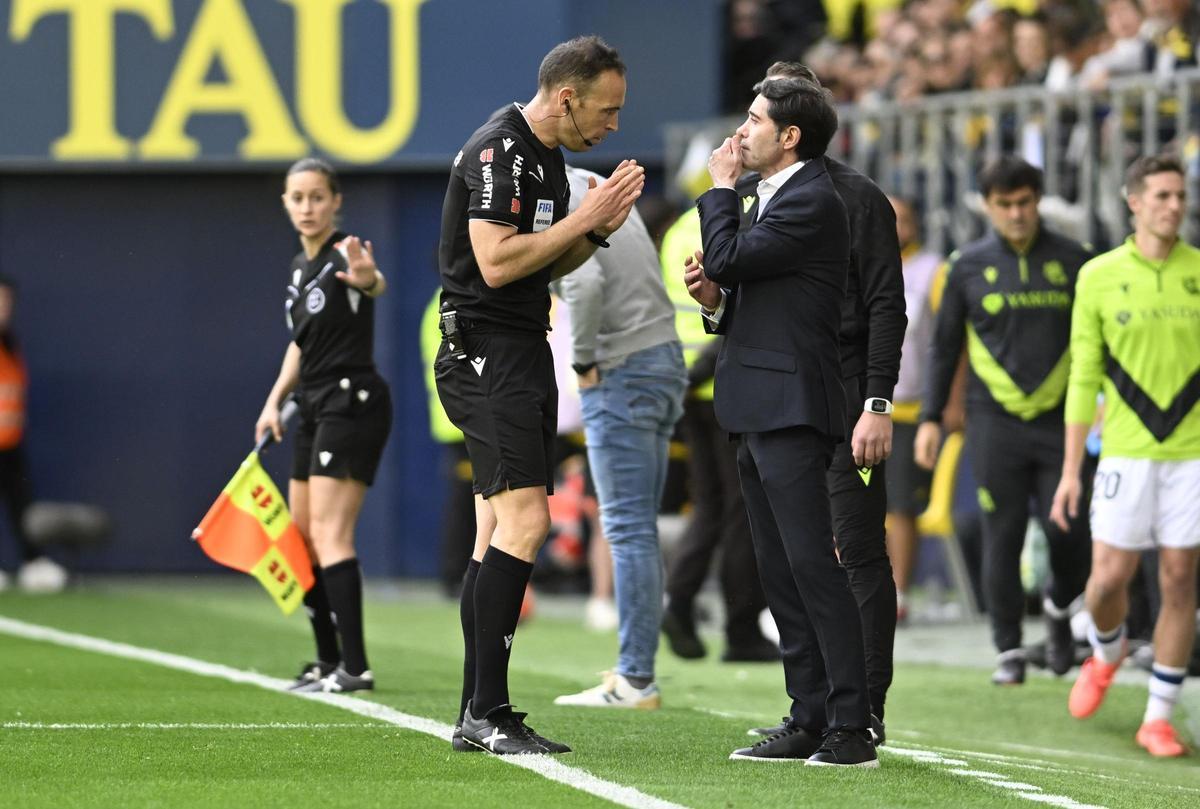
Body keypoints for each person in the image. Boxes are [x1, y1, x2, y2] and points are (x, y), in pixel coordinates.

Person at [435, 35, 645, 756]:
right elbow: (494, 265)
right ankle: (489, 711)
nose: (614, 123)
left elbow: (542, 264)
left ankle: (474, 707)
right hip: (488, 349)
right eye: (607, 109)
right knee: (524, 523)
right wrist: (583, 221)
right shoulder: (503, 150)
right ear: (568, 98)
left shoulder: (546, 159)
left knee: (495, 531)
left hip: (513, 347)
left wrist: (597, 233)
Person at [686, 77, 878, 767]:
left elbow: (732, 255)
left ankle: (852, 726)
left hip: (793, 407)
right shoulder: (773, 198)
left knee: (810, 567)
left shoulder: (811, 199)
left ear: (789, 136)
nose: (741, 132)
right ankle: (808, 715)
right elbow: (751, 293)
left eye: (754, 119)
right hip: (755, 403)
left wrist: (717, 192)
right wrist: (715, 300)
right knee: (779, 569)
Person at [744, 61, 906, 743]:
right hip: (784, 395)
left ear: (799, 125)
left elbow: (885, 304)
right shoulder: (762, 194)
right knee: (788, 553)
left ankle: (863, 706)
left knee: (855, 550)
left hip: (844, 392)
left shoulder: (857, 197)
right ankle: (810, 707)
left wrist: (877, 401)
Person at [914, 156, 1094, 686]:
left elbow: (1096, 342)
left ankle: (1060, 612)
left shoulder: (1078, 262)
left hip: (1062, 421)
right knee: (1004, 532)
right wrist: (930, 419)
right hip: (994, 423)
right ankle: (1009, 648)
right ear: (987, 206)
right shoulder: (964, 266)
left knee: (1069, 531)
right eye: (1004, 205)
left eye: (1024, 202)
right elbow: (944, 349)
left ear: (1038, 201)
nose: (1016, 214)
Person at [1051, 154, 1200, 758]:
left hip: (1192, 454)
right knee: (1109, 578)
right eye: (1161, 195)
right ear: (1133, 201)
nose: (1173, 205)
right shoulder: (1099, 275)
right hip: (1124, 454)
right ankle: (1107, 651)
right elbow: (1084, 373)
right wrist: (1069, 470)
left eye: (1180, 196)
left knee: (1180, 576)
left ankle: (1159, 715)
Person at [255, 158, 392, 695]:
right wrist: (274, 402)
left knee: (332, 535)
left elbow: (372, 282)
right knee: (302, 538)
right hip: (311, 404)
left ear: (336, 201)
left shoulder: (346, 256)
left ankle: (355, 667)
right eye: (297, 198)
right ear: (286, 203)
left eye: (317, 197)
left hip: (350, 401)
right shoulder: (297, 265)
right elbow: (300, 343)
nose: (307, 207)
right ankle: (326, 659)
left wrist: (369, 280)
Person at [551, 166, 687, 709]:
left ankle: (635, 677)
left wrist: (582, 358)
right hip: (662, 358)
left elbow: (583, 282)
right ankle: (637, 671)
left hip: (621, 365)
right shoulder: (592, 181)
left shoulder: (555, 193)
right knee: (638, 528)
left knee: (626, 527)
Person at [884, 196, 939, 622]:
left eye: (903, 218)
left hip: (908, 406)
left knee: (900, 503)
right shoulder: (858, 262)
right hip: (861, 406)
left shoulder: (933, 271)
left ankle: (899, 592)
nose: (896, 226)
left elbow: (948, 343)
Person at [0, 277, 68, 594]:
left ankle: (32, 561)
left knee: (21, 504)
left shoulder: (10, 344)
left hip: (10, 441)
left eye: (6, 301)